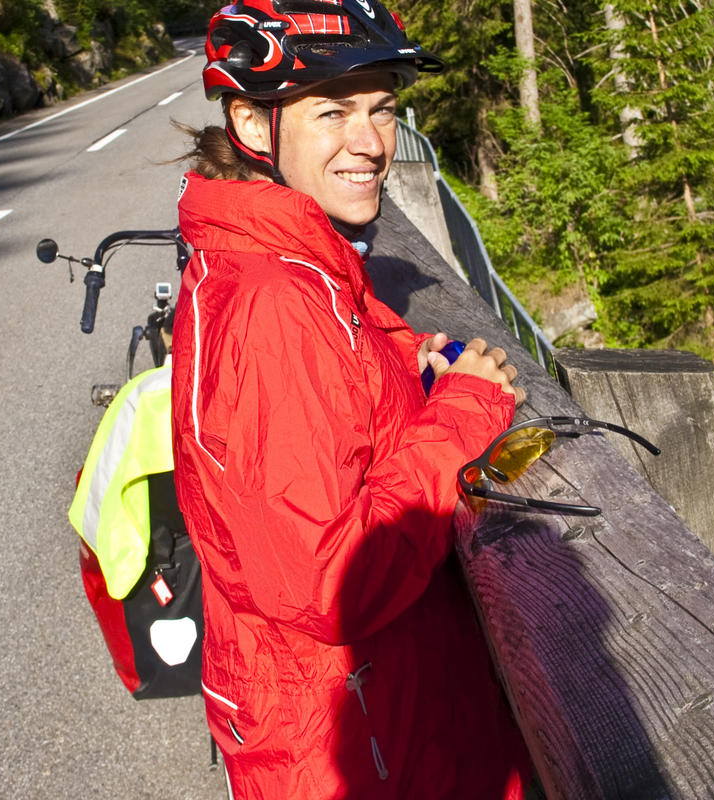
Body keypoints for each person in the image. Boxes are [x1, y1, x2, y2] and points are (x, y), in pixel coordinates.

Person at [168, 1, 534, 796]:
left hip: (363, 712)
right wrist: (467, 412)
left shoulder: (278, 255)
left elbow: (338, 380)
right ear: (254, 126)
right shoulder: (275, 304)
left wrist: (413, 367)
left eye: (381, 111)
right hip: (361, 743)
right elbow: (332, 585)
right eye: (333, 112)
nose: (371, 143)